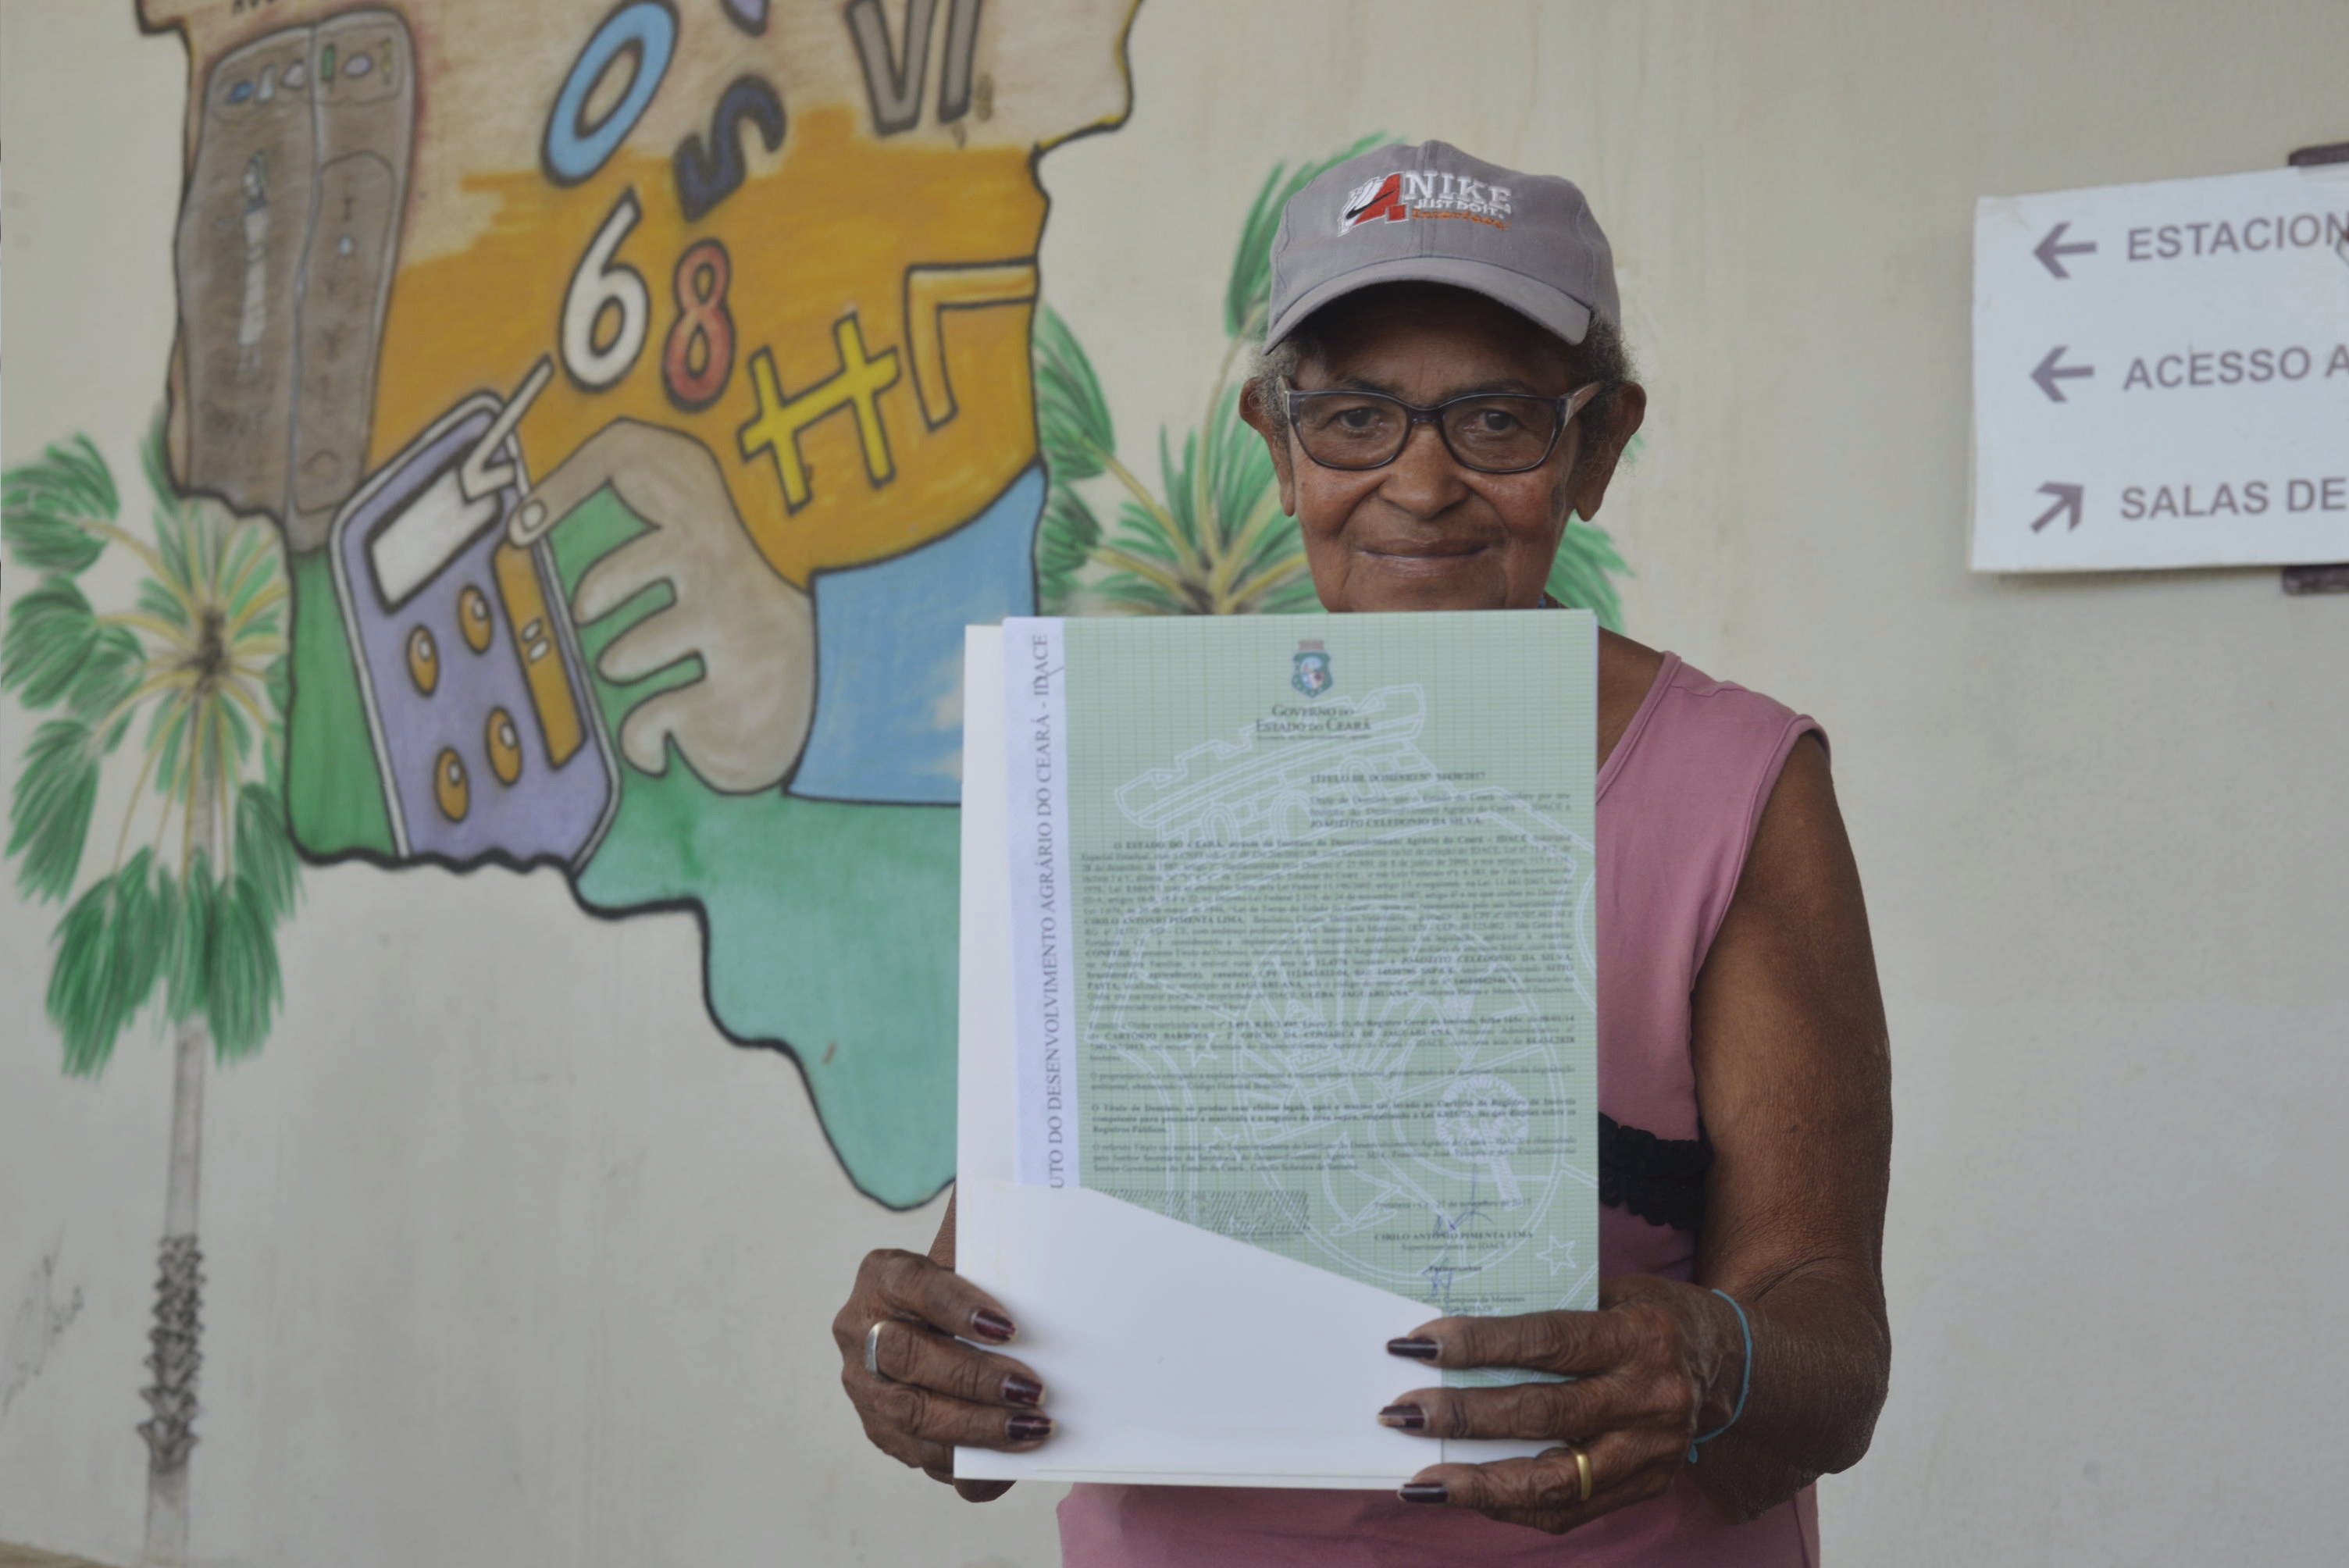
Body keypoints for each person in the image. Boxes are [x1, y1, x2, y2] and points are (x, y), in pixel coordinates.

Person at [833, 141, 1891, 1564]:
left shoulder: (1732, 786)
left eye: (1499, 421)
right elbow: (999, 1360)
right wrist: (925, 1360)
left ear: (1600, 448)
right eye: (1354, 420)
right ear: (1279, 445)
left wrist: (1718, 1362)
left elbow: (1833, 1352)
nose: (1424, 481)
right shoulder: (1132, 764)